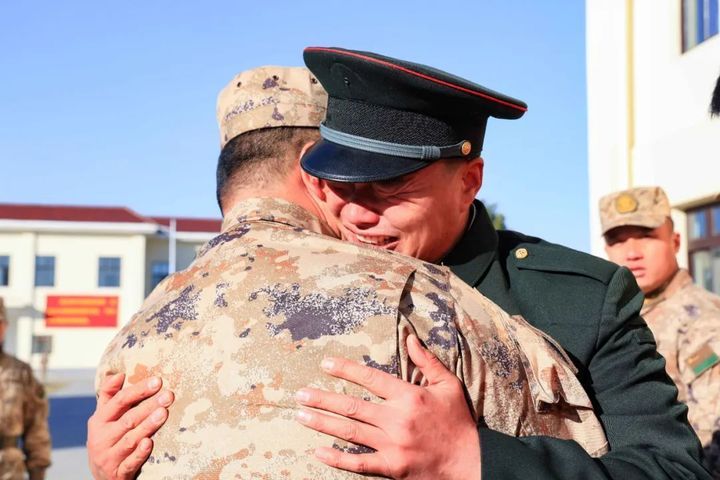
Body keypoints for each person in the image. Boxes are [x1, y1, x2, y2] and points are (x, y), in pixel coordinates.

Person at [91, 66, 607, 479]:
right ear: (315, 169)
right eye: (348, 175)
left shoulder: (135, 334)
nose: (360, 213)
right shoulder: (429, 304)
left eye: (387, 180)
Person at [288, 46, 710, 479]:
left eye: (389, 186)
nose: (357, 215)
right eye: (340, 185)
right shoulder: (292, 284)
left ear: (469, 182)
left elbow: (674, 470)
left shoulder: (579, 300)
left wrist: (473, 458)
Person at [600, 185, 720, 476]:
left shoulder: (704, 319)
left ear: (675, 241)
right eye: (617, 240)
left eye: (646, 236)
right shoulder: (612, 318)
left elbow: (711, 445)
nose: (632, 253)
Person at [0, 298, 51, 480]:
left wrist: (38, 471)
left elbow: (36, 428)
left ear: (4, 327)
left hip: (8, 470)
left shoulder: (21, 372)